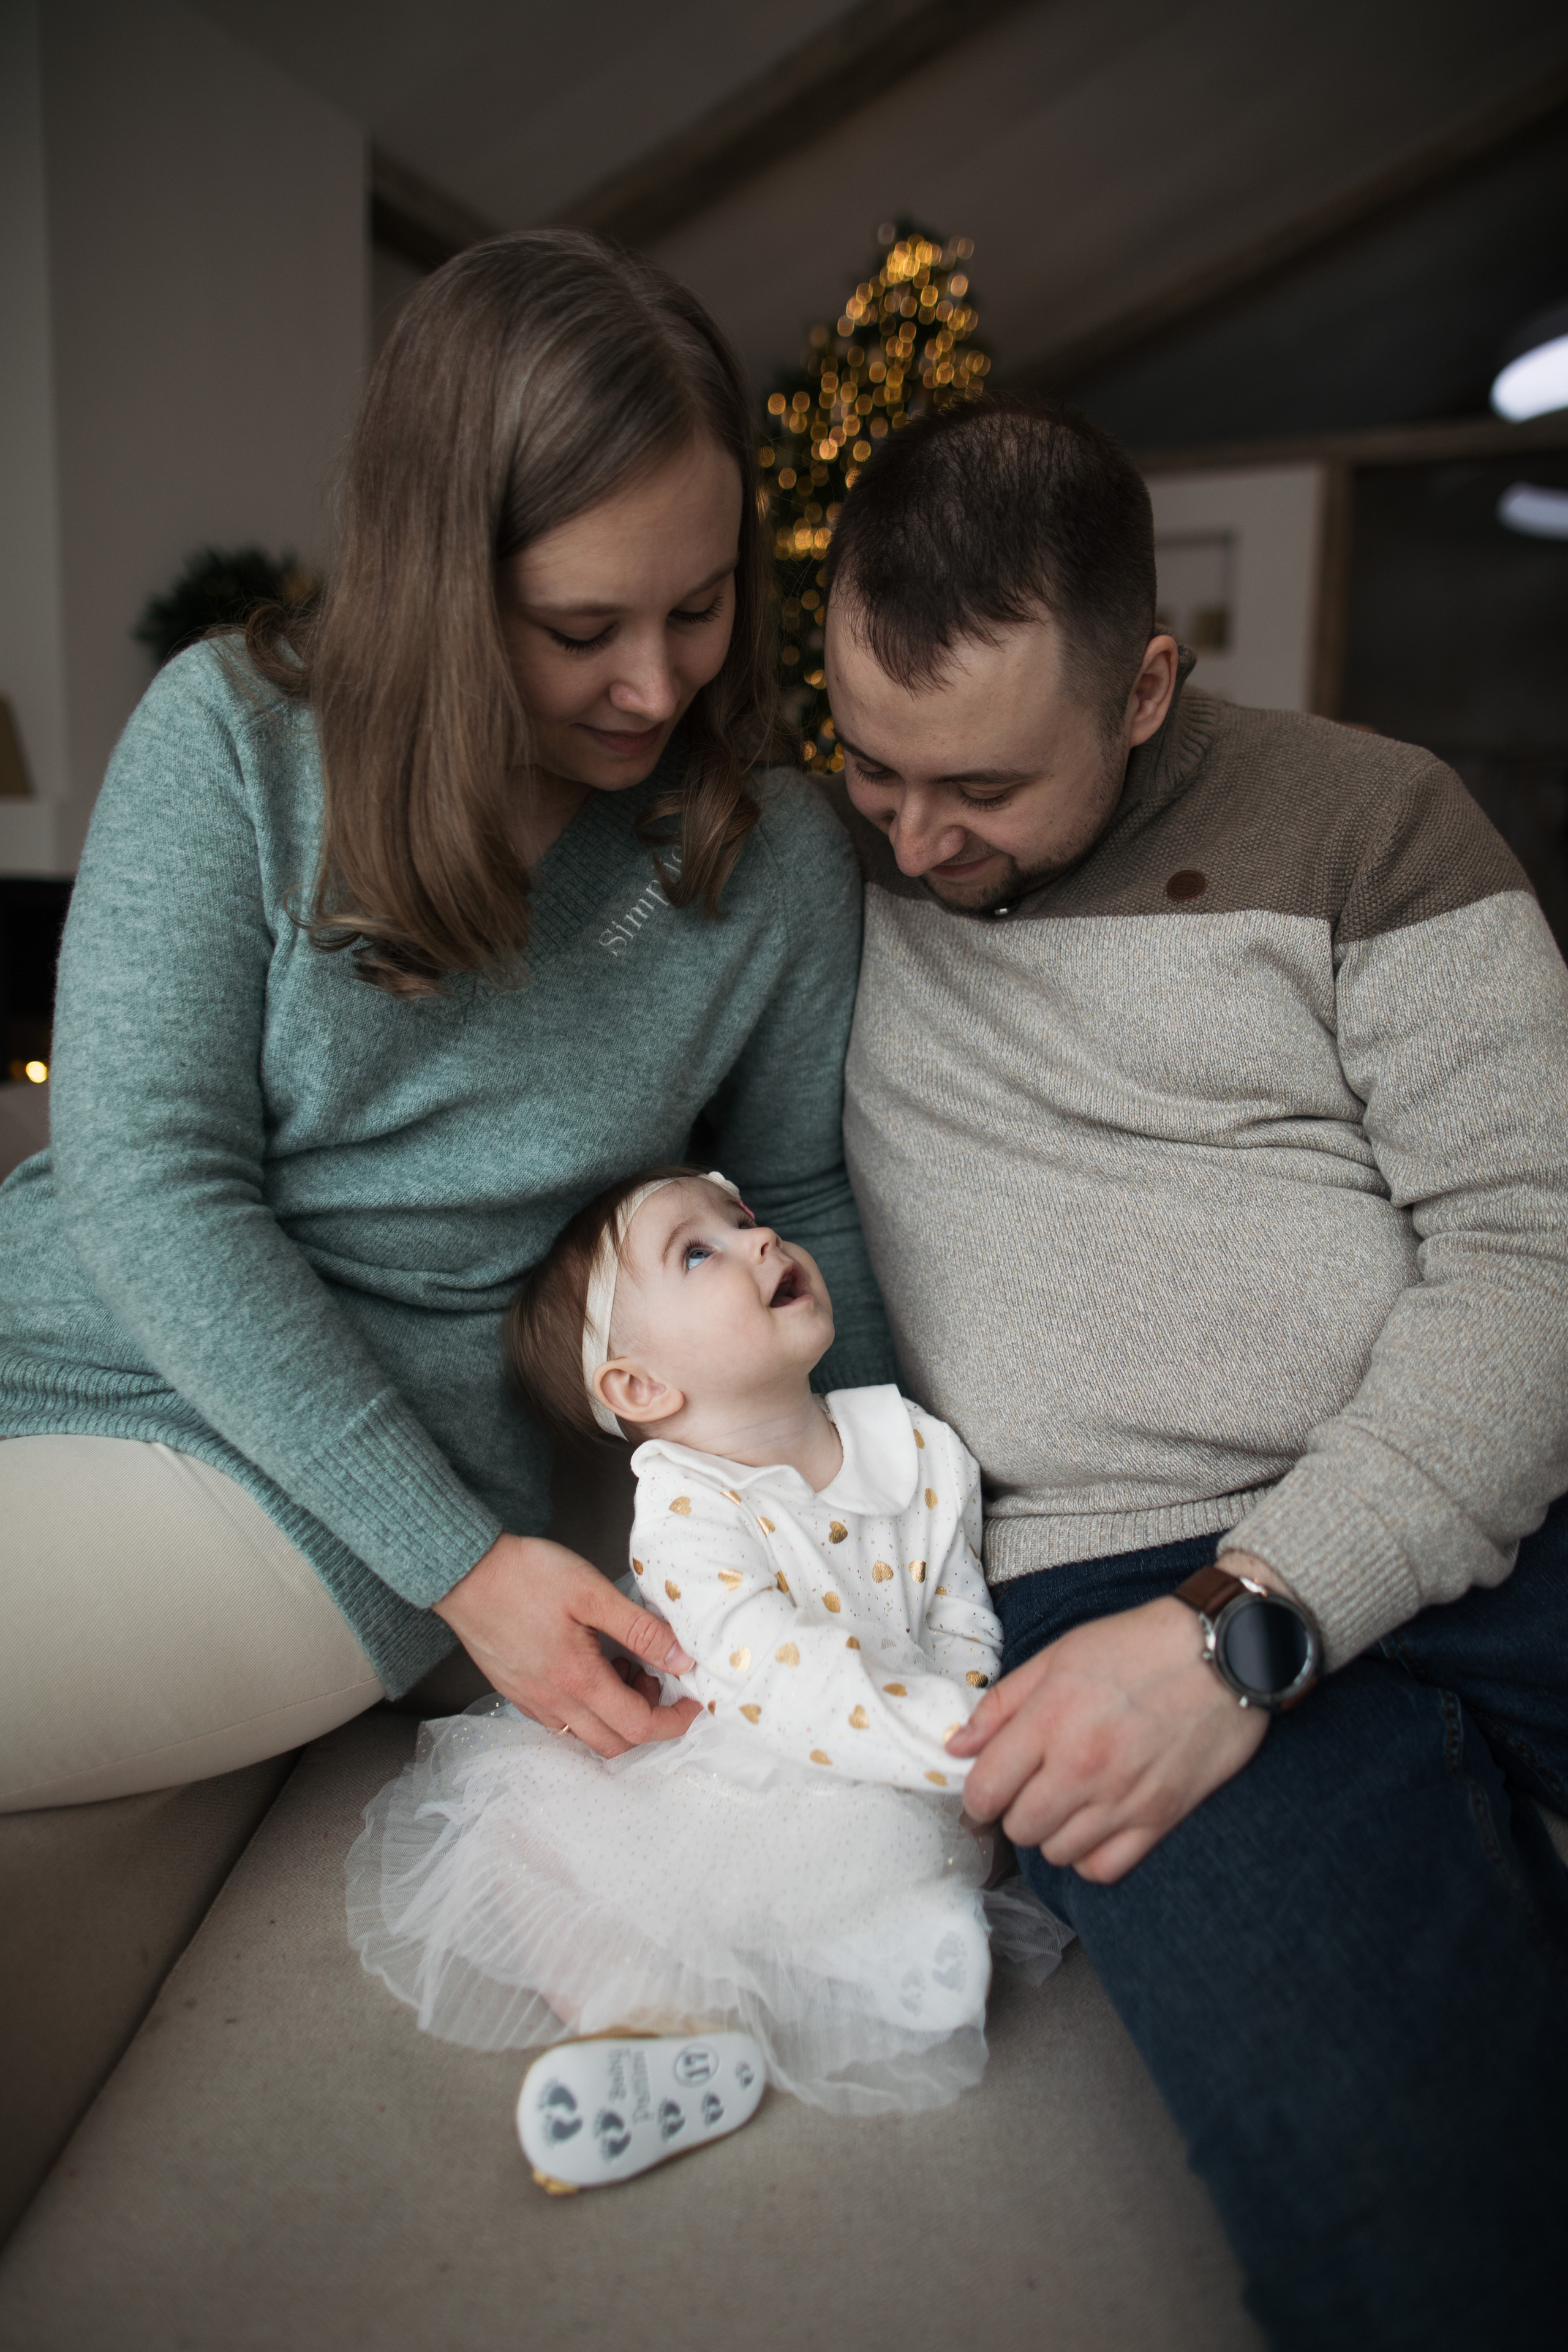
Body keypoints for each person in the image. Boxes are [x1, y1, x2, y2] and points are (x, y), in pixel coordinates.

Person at [821, 396, 1568, 2351]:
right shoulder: (806, 853)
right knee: (1414, 2230)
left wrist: (1260, 1609)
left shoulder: (1380, 822)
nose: (910, 835)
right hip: (1107, 1573)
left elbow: (1540, 1260)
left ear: (1147, 683)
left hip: (1483, 1486)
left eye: (976, 782)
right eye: (868, 764)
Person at [0, 229, 894, 1813]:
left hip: (320, 1504)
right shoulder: (233, 739)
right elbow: (146, 1178)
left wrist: (875, 1515)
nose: (656, 686)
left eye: (701, 606)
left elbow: (802, 1196)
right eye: (581, 630)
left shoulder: (766, 860)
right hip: (48, 1338)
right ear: (439, 575)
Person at [348, 1164, 1066, 2193]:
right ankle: (640, 2022)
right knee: (514, 1813)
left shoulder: (917, 1445)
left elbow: (959, 1609)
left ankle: (892, 1953)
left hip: (902, 1774)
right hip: (742, 1759)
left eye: (745, 1221)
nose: (759, 1242)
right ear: (640, 1388)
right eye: (701, 1251)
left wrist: (964, 1719)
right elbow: (759, 1663)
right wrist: (953, 1732)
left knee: (891, 1837)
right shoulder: (686, 1504)